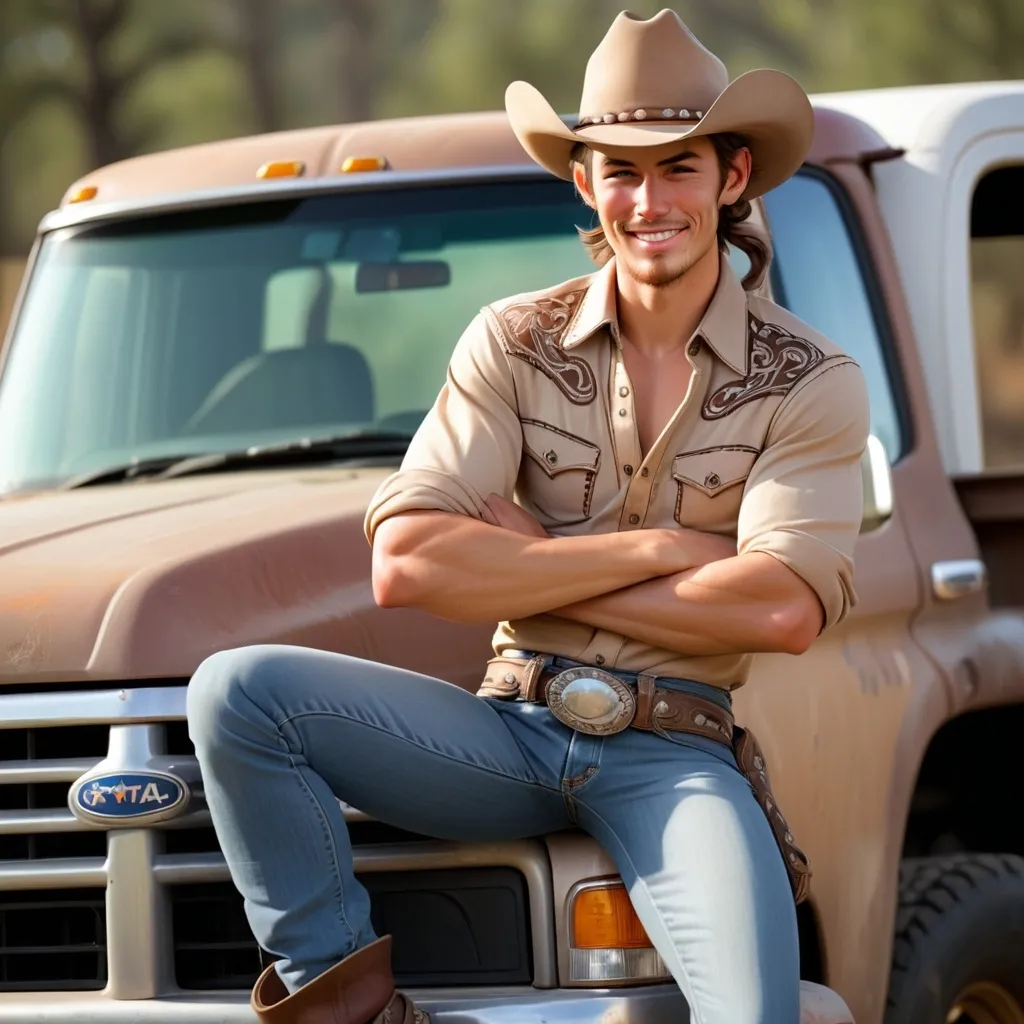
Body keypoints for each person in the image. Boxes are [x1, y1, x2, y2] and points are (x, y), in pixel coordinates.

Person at [186, 9, 869, 1024]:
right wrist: (659, 550)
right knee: (240, 692)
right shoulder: (511, 340)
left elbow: (779, 608)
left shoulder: (808, 378)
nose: (647, 201)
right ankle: (348, 1007)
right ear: (584, 181)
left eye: (677, 167)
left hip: (674, 755)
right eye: (619, 171)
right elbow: (409, 563)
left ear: (732, 180)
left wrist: (535, 554)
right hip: (505, 728)